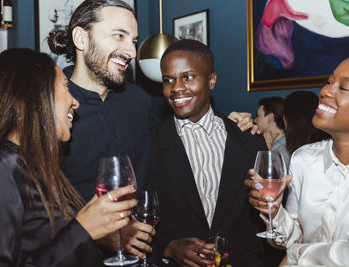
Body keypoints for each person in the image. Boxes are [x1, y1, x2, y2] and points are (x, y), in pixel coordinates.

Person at [0, 48, 138, 266]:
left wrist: (97, 234)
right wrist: (82, 230)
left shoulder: (31, 168)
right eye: (66, 87)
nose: (75, 102)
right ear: (33, 94)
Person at [47, 0, 155, 258]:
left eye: (134, 40)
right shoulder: (53, 106)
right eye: (119, 35)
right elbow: (39, 201)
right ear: (81, 39)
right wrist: (102, 232)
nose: (131, 51)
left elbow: (167, 145)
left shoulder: (136, 100)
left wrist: (226, 123)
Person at [148, 39, 267, 267]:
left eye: (188, 77)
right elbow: (136, 217)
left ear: (211, 80)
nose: (176, 88)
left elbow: (265, 219)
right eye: (168, 80)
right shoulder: (149, 142)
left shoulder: (248, 139)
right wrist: (168, 248)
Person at [245, 58, 349, 266]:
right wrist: (274, 212)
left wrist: (295, 257)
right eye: (328, 82)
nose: (325, 92)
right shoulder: (304, 159)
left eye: (344, 87)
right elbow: (290, 239)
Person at [254, 97, 290, 168]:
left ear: (270, 117)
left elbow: (271, 177)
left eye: (258, 116)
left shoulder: (283, 149)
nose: (255, 120)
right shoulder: (276, 145)